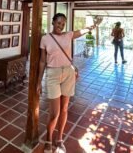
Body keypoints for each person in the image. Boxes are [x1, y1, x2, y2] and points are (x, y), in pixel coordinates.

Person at [37, 13, 102, 153]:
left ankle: (59, 139)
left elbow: (84, 30)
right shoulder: (45, 39)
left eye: (63, 24)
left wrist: (95, 25)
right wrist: (38, 82)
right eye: (58, 23)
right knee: (54, 113)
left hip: (68, 73)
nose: (60, 26)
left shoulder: (68, 35)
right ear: (53, 22)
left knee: (65, 109)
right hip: (52, 75)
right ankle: (48, 139)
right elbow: (42, 61)